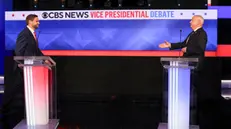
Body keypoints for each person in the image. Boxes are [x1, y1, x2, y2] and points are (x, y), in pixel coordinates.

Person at [1, 14, 49, 129]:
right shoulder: (24, 34)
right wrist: (23, 65)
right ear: (30, 22)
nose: (39, 23)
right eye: (37, 21)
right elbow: (19, 51)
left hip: (30, 68)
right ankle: (3, 111)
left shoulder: (32, 35)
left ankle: (14, 112)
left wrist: (45, 59)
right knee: (12, 91)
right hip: (22, 68)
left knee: (20, 91)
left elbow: (36, 51)